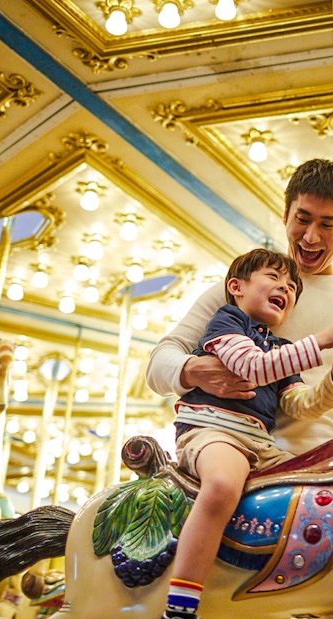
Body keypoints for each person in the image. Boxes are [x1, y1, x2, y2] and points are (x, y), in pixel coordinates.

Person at [156, 247, 333, 619]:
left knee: (317, 490)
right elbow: (252, 368)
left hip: (259, 443)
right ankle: (180, 605)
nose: (284, 288)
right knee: (221, 484)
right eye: (273, 278)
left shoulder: (281, 347)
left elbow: (299, 404)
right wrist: (320, 341)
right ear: (235, 287)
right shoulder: (228, 323)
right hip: (214, 430)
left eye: (291, 287)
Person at [146, 158, 333, 457]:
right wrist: (192, 370)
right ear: (285, 215)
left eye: (328, 224)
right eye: (302, 219)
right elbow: (158, 363)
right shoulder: (245, 288)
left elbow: (305, 403)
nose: (311, 237)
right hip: (247, 454)